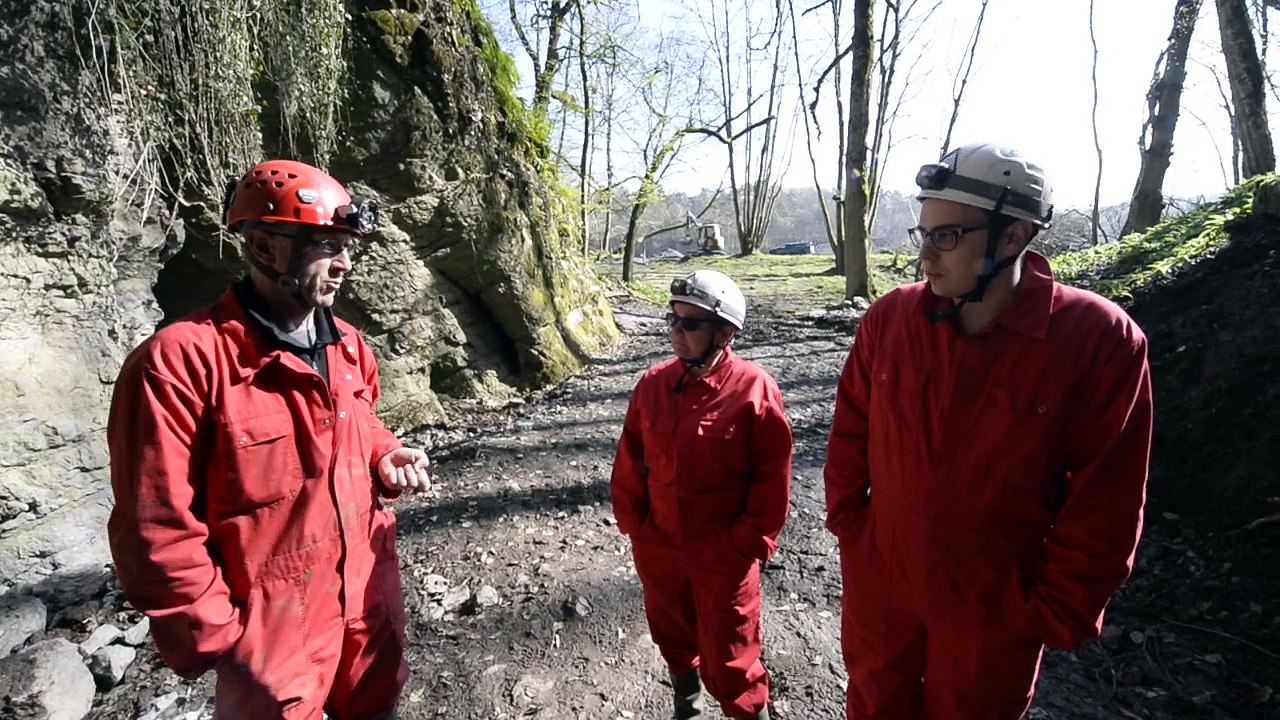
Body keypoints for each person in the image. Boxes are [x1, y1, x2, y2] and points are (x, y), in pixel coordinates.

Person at [824, 143, 1154, 719]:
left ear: (1011, 237)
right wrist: (853, 528)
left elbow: (1108, 497)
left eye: (946, 237)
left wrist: (1052, 609)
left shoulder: (1097, 341)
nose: (924, 255)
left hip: (994, 605)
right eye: (921, 234)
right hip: (884, 579)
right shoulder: (892, 319)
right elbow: (851, 431)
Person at [107, 159, 431, 719]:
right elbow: (154, 526)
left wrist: (384, 452)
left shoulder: (350, 348)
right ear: (263, 249)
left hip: (366, 599)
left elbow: (360, 424)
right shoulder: (180, 363)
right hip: (270, 633)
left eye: (348, 245)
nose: (345, 264)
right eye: (328, 245)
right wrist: (221, 639)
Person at [611, 270, 793, 720]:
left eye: (690, 325)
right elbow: (629, 460)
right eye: (672, 321)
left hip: (723, 556)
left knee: (733, 654)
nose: (676, 332)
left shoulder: (754, 389)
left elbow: (772, 482)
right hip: (660, 548)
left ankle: (750, 713)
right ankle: (686, 708)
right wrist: (637, 527)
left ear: (725, 332)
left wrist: (742, 548)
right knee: (671, 634)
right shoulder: (652, 384)